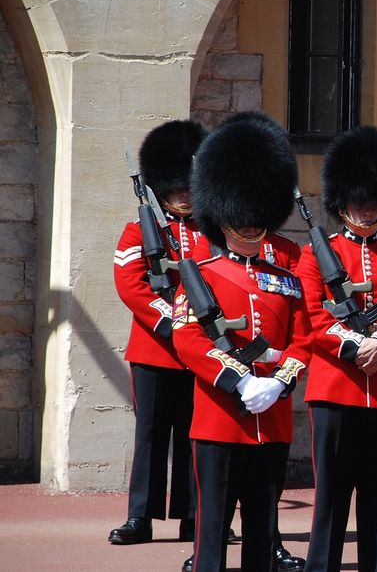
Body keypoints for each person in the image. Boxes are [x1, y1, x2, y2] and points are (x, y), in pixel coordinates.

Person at [171, 112, 312, 572]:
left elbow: (304, 340)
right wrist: (238, 381)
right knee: (212, 530)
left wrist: (281, 382)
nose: (251, 229)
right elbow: (188, 339)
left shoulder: (285, 281)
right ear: (222, 216)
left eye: (257, 221)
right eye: (241, 221)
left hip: (270, 419)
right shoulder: (203, 279)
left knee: (262, 528)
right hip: (218, 420)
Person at [297, 125, 377, 572]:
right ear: (342, 202)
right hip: (335, 391)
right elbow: (313, 317)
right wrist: (355, 348)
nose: (366, 208)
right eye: (358, 201)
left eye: (373, 201)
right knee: (331, 498)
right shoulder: (315, 257)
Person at [110, 120, 208, 546]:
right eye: (176, 188)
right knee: (151, 433)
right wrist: (169, 319)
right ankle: (141, 517)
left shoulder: (211, 230)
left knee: (195, 432)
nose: (184, 195)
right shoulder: (139, 230)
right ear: (162, 188)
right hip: (155, 348)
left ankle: (193, 515)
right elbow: (129, 282)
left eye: (189, 187)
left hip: (201, 349)